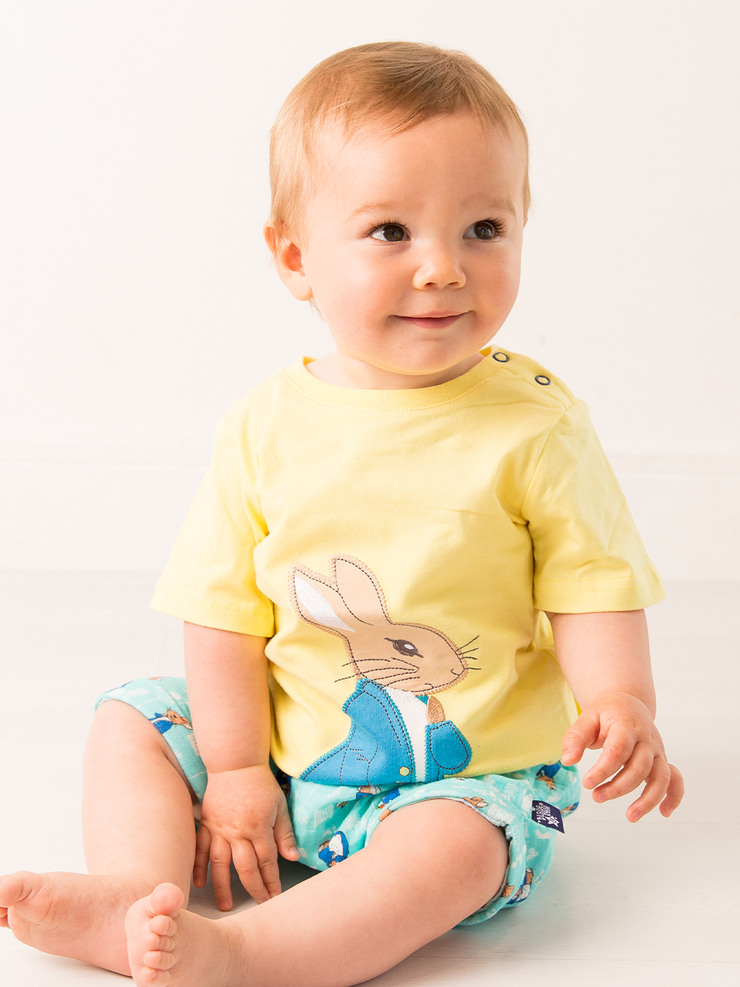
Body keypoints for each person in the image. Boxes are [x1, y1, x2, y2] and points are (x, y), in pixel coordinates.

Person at [0, 41, 684, 987]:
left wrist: (621, 700)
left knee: (461, 848)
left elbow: (590, 587)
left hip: (460, 777)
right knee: (132, 717)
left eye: (483, 228)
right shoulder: (264, 426)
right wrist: (236, 770)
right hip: (283, 753)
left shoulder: (536, 424)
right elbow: (223, 616)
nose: (443, 267)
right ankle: (132, 893)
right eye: (391, 231)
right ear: (296, 258)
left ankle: (245, 954)